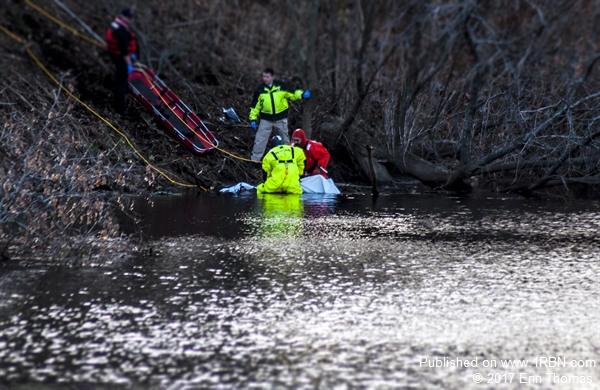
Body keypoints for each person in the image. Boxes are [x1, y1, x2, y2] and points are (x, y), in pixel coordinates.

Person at [249, 68, 311, 161]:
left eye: (267, 77)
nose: (265, 79)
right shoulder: (260, 90)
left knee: (285, 140)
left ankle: (287, 159)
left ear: (272, 77)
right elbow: (255, 106)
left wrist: (302, 94)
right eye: (264, 76)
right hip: (266, 119)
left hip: (281, 118)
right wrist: (253, 119)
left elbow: (293, 93)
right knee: (259, 140)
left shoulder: (281, 86)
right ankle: (254, 160)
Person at [105, 7, 137, 115]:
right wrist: (129, 63)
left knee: (121, 82)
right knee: (121, 83)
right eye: (128, 17)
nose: (129, 20)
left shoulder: (118, 25)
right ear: (122, 16)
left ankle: (119, 105)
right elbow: (123, 50)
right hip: (120, 59)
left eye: (130, 18)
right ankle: (119, 109)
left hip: (119, 56)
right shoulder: (121, 30)